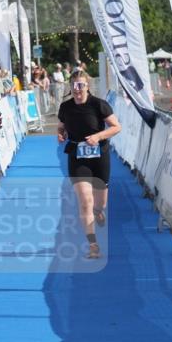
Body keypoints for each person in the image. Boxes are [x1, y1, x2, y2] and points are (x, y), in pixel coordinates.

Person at [56, 71, 122, 260]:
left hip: (99, 156)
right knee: (85, 200)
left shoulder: (99, 104)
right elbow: (61, 125)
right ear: (70, 87)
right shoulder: (66, 107)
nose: (78, 90)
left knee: (99, 203)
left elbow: (117, 127)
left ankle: (98, 211)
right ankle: (93, 245)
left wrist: (98, 136)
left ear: (87, 86)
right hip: (77, 157)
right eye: (75, 86)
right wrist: (61, 134)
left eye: (81, 85)